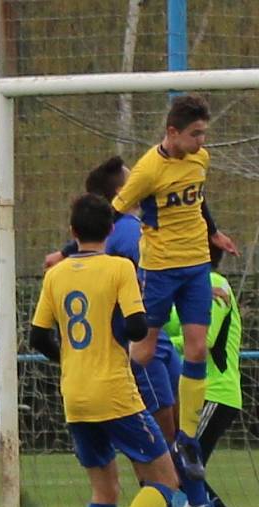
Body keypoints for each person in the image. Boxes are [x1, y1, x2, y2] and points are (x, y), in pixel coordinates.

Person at [30, 193, 178, 507]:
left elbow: (38, 336)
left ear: (72, 232)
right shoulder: (119, 267)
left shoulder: (55, 275)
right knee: (165, 478)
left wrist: (72, 357)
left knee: (104, 489)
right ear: (111, 231)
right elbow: (135, 327)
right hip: (114, 390)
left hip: (74, 394)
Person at [111, 95, 238, 483]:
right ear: (172, 132)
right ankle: (114, 403)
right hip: (161, 270)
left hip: (196, 267)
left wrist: (214, 232)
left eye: (204, 133)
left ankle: (186, 438)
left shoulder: (200, 160)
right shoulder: (148, 170)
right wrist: (70, 250)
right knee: (144, 350)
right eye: (195, 134)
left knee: (198, 347)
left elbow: (198, 200)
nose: (201, 141)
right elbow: (115, 211)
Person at [164, 243, 248, 507]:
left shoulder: (215, 285)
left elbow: (204, 341)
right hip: (194, 390)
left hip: (216, 391)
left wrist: (154, 344)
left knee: (178, 462)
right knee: (177, 464)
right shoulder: (187, 291)